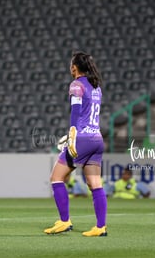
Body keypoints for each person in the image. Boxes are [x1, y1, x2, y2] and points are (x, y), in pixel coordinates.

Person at [44, 51, 107, 237]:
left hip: (82, 140)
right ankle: (100, 227)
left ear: (74, 67)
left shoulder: (76, 85)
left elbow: (76, 112)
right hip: (97, 139)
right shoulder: (96, 87)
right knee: (95, 184)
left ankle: (64, 221)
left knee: (56, 178)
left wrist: (72, 134)